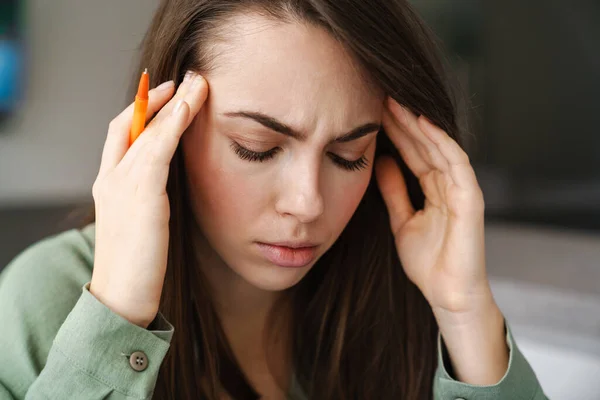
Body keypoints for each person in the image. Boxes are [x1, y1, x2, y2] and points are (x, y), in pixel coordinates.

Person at [0, 0, 548, 399]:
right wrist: (117, 319)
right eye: (256, 148)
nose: (308, 204)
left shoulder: (405, 299)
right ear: (162, 133)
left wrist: (465, 310)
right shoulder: (39, 301)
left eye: (348, 155)